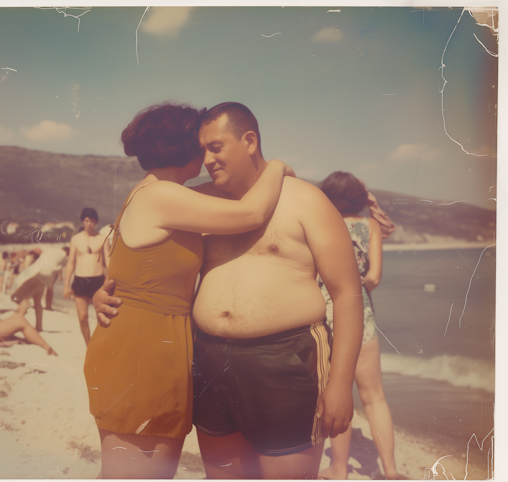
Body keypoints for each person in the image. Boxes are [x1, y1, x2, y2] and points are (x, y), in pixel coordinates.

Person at [94, 102, 364, 479]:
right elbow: (134, 250)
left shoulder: (305, 200)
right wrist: (105, 291)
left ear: (249, 140)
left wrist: (340, 382)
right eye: (201, 149)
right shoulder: (193, 203)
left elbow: (348, 293)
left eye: (215, 147)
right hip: (207, 363)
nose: (205, 159)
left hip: (284, 362)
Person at [83, 102, 291, 479]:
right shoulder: (162, 197)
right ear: (183, 147)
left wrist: (103, 293)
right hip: (143, 352)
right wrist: (276, 166)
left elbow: (124, 263)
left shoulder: (153, 192)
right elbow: (251, 214)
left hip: (150, 345)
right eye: (202, 144)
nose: (208, 154)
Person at [316, 172, 404, 480]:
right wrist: (372, 202)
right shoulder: (371, 226)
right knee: (375, 396)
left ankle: (338, 470)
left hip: (323, 313)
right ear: (359, 197)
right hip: (361, 314)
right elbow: (374, 278)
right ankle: (391, 472)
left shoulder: (321, 223)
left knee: (336, 393)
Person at [63, 208, 110, 346]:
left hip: (98, 281)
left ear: (96, 222)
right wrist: (66, 286)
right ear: (83, 221)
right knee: (82, 317)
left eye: (92, 221)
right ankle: (89, 346)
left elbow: (108, 261)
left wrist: (109, 279)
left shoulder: (102, 239)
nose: (89, 224)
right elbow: (71, 263)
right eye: (87, 220)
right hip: (80, 280)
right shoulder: (75, 239)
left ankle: (99, 346)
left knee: (100, 317)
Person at [10, 245, 69, 332]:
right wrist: (52, 281)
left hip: (37, 271)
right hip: (47, 276)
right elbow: (60, 268)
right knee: (37, 301)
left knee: (26, 296)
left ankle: (16, 318)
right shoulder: (65, 256)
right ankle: (39, 326)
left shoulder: (50, 249)